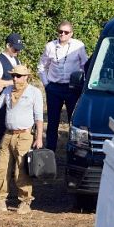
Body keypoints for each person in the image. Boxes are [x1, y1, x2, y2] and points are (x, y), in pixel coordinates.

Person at [0, 64, 45, 212]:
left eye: (19, 76)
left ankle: (25, 201)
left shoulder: (34, 92)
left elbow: (39, 117)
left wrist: (39, 137)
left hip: (24, 135)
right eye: (13, 75)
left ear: (26, 77)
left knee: (21, 169)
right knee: (1, 167)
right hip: (8, 134)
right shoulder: (8, 90)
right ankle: (0, 199)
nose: (15, 78)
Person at [38, 22, 87, 151]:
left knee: (75, 119)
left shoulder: (78, 46)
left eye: (66, 32)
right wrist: (46, 84)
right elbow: (42, 66)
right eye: (60, 31)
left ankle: (76, 149)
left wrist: (83, 82)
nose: (62, 34)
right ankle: (50, 150)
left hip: (72, 87)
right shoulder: (50, 46)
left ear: (71, 33)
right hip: (54, 88)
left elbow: (84, 65)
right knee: (53, 121)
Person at [0, 34, 24, 151]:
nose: (17, 51)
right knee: (2, 131)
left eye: (19, 49)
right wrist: (14, 82)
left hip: (14, 101)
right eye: (15, 49)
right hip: (1, 102)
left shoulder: (16, 60)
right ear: (8, 46)